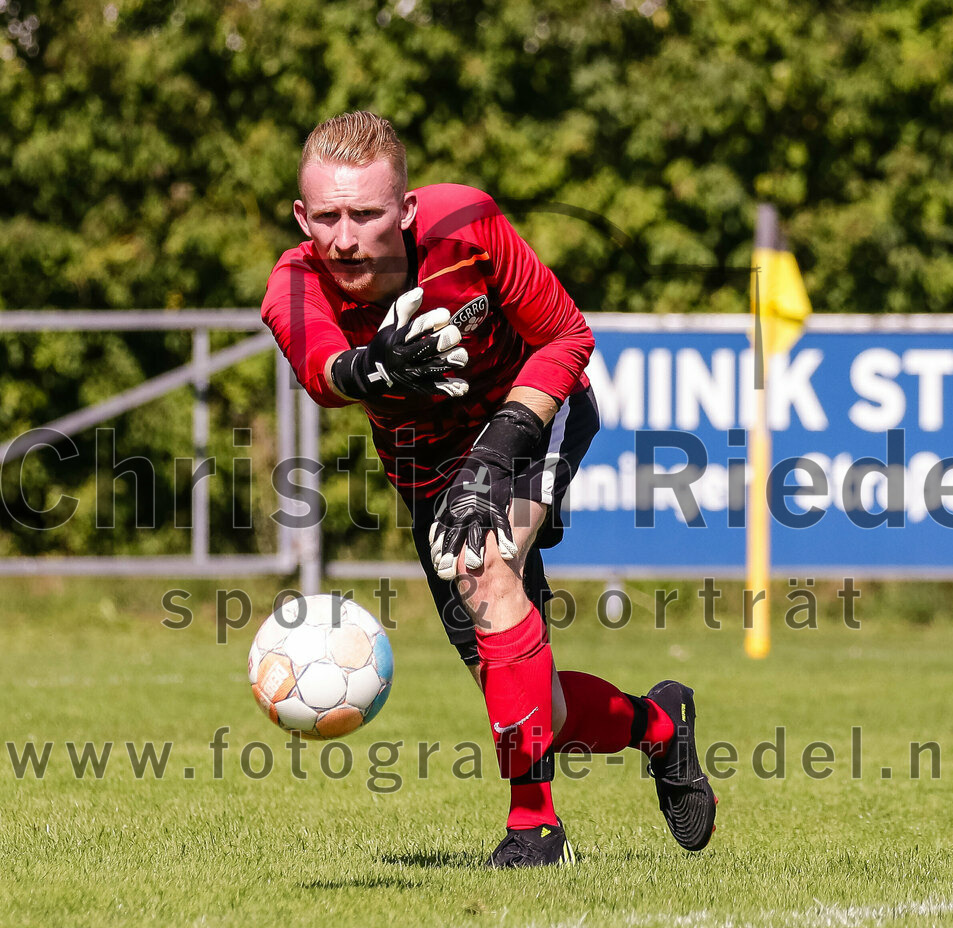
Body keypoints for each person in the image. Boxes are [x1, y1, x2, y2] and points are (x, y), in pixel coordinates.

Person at [261, 111, 716, 867]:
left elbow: (568, 337)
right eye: (329, 216)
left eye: (366, 214)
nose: (345, 238)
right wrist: (373, 366)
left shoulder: (467, 223)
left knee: (482, 565)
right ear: (303, 216)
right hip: (428, 474)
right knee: (540, 705)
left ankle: (535, 828)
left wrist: (495, 458)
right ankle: (659, 724)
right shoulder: (296, 280)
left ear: (405, 211)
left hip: (534, 417)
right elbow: (323, 372)